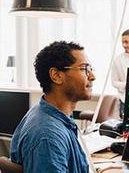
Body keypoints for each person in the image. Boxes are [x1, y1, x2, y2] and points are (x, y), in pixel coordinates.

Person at [10, 41, 96, 173]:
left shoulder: (49, 112)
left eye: (90, 69)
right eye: (84, 69)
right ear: (56, 76)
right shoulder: (48, 138)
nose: (92, 76)